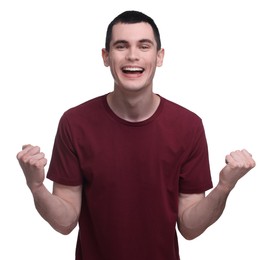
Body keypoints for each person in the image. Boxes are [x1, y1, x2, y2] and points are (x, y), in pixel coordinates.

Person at [16, 10, 256, 260]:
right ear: (106, 57)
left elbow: (189, 226)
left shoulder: (188, 126)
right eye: (121, 46)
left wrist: (225, 186)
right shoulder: (75, 123)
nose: (132, 56)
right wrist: (36, 186)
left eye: (144, 46)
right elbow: (65, 222)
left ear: (159, 56)